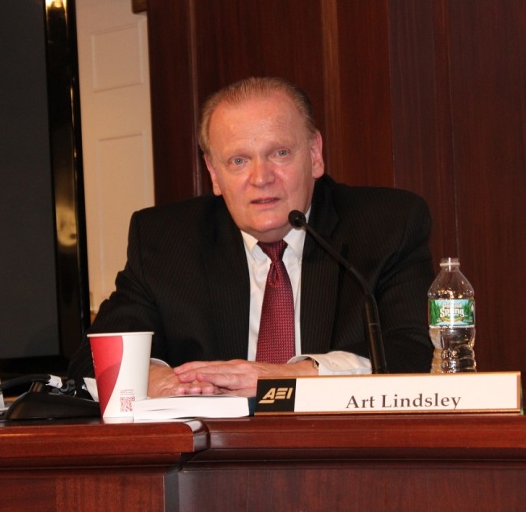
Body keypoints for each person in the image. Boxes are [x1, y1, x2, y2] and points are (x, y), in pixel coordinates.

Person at [68, 76, 434, 398]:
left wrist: (284, 378)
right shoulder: (164, 240)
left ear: (315, 154)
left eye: (279, 153)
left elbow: (411, 349)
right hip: (211, 463)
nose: (261, 178)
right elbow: (93, 356)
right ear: (213, 172)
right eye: (238, 161)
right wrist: (159, 379)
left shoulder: (386, 225)